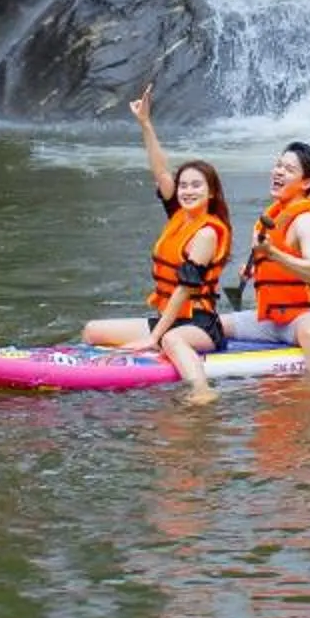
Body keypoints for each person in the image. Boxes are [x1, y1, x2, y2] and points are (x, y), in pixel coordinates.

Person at [80, 85, 235, 401]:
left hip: (199, 326)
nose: (187, 191)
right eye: (184, 186)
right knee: (92, 330)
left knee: (173, 341)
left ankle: (202, 392)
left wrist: (153, 338)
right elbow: (161, 171)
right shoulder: (180, 216)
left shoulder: (207, 233)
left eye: (196, 186)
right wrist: (145, 124)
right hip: (170, 318)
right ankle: (82, 373)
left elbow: (184, 290)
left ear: (212, 193)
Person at [238, 140, 310, 380]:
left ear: (306, 182)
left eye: (288, 169)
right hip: (273, 320)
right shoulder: (274, 216)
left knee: (308, 333)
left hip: (309, 317)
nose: (278, 172)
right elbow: (282, 269)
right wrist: (257, 271)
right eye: (278, 165)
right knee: (216, 325)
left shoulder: (306, 220)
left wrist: (272, 254)